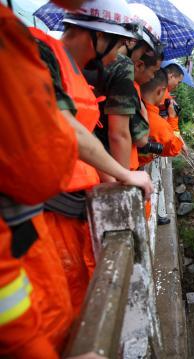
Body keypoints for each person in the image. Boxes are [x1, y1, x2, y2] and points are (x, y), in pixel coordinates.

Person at [29, 0, 152, 322]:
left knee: (80, 301)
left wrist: (113, 181)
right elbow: (63, 125)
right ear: (99, 36)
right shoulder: (40, 52)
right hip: (45, 210)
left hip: (74, 206)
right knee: (53, 314)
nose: (122, 55)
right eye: (121, 44)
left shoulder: (76, 74)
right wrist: (124, 175)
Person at [90, 3, 163, 172]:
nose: (141, 55)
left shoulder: (89, 60)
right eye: (144, 49)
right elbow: (122, 135)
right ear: (133, 41)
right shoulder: (122, 67)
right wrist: (123, 180)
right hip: (106, 165)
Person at [139, 68, 185, 167]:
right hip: (132, 169)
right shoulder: (158, 124)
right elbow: (175, 148)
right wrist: (173, 118)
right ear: (160, 91)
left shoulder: (132, 104)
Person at [159, 60, 184, 131]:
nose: (177, 85)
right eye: (178, 82)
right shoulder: (162, 93)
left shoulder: (165, 92)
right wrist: (173, 115)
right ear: (171, 76)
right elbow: (164, 121)